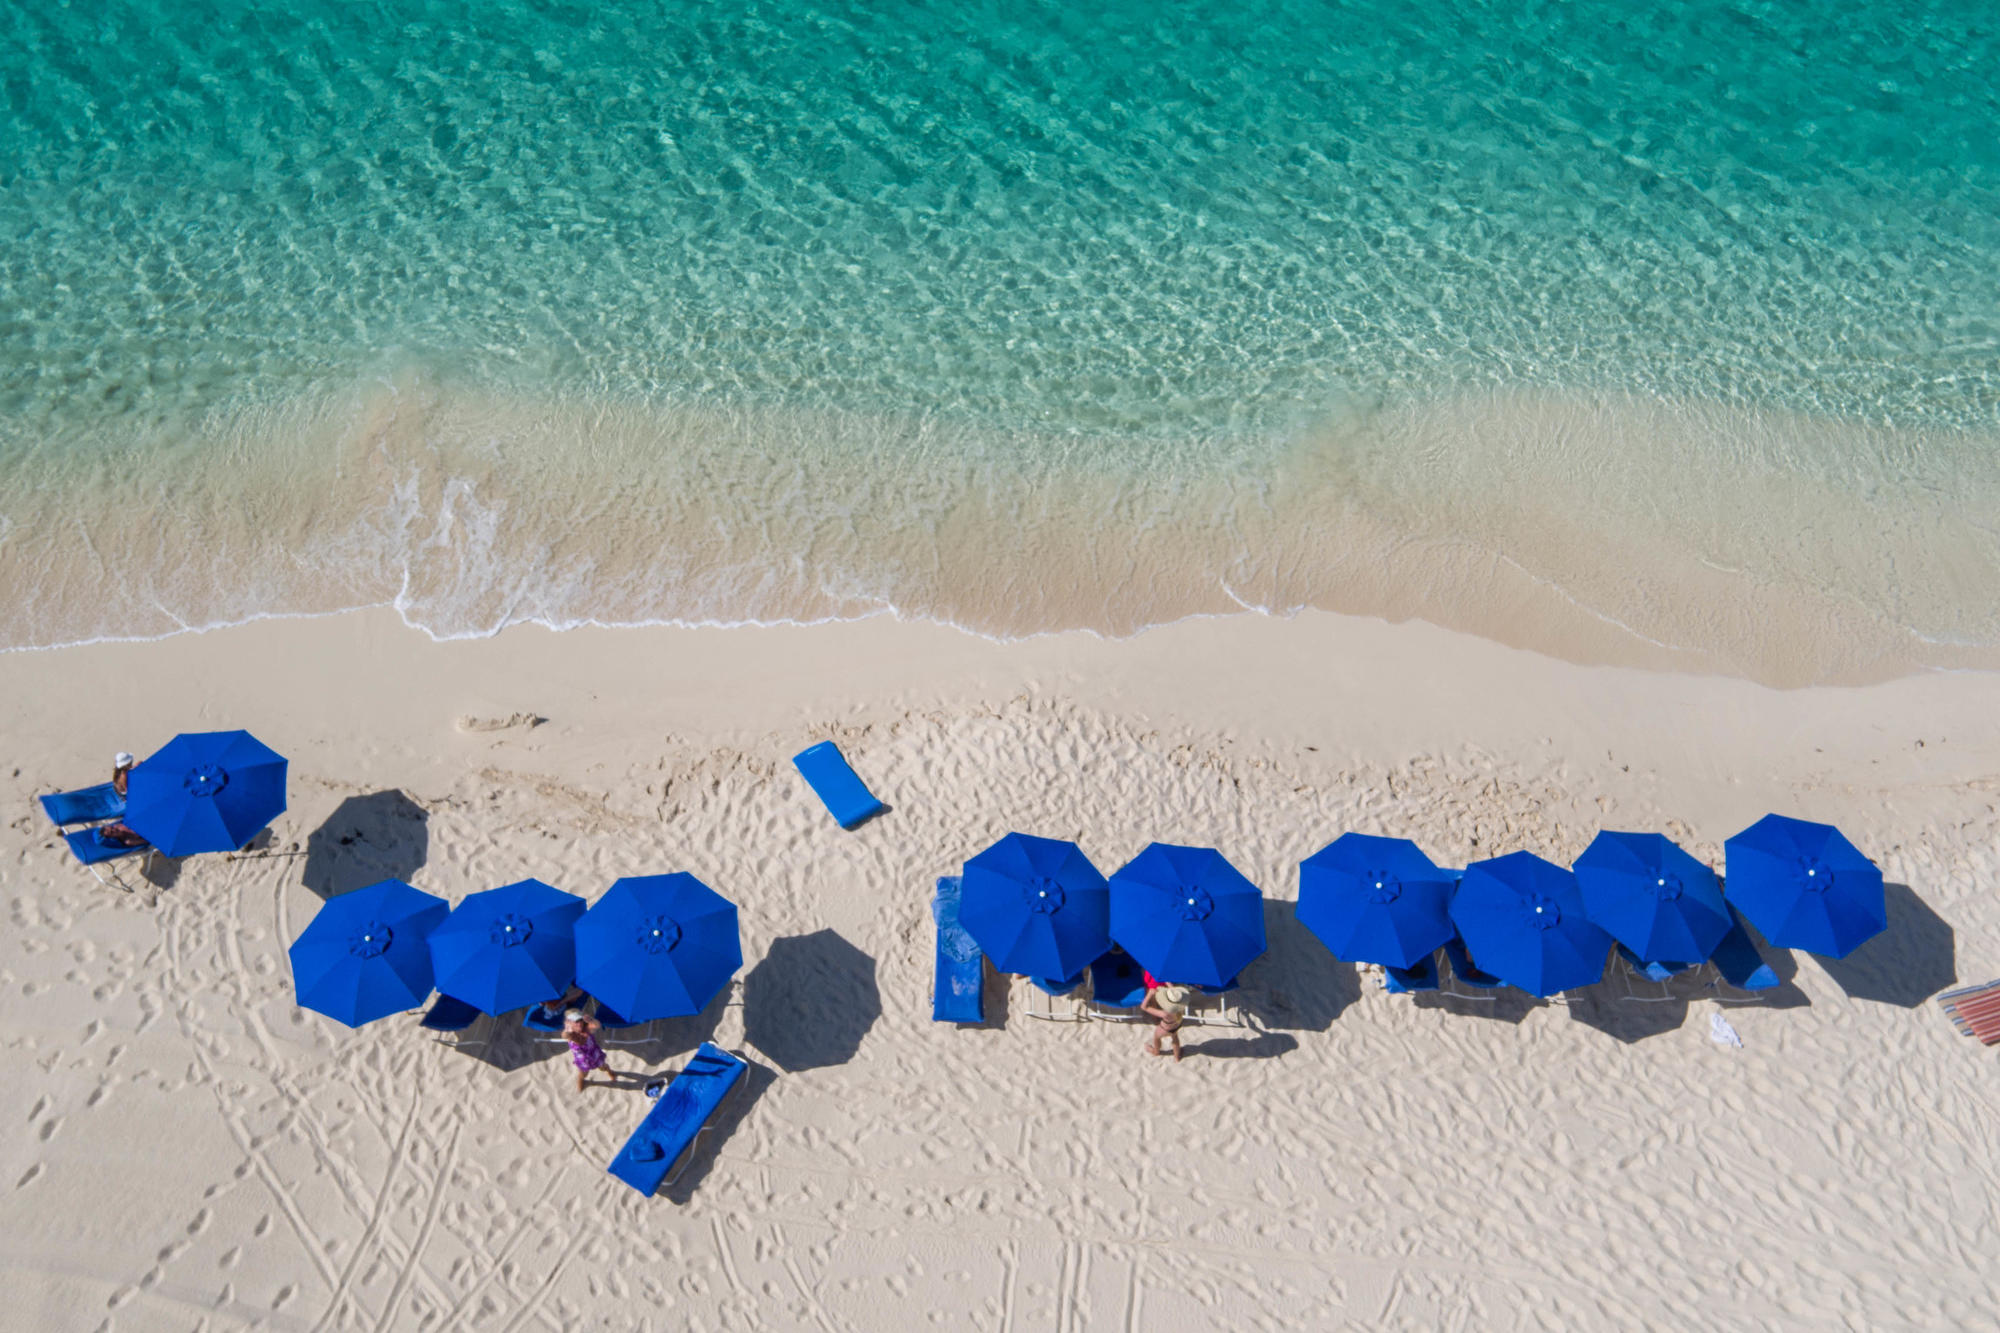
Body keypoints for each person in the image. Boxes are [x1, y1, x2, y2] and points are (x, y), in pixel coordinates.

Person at [562, 1008, 616, 1092]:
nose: (579, 1023)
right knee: (583, 1074)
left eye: (580, 1020)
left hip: (594, 1054)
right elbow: (565, 1036)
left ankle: (610, 1072)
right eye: (576, 1021)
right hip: (582, 1059)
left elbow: (597, 1025)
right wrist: (567, 1029)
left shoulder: (586, 1028)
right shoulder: (571, 1034)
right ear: (570, 1023)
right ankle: (580, 1080)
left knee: (603, 1067)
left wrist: (591, 1020)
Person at [1140, 982, 1191, 1061]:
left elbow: (1144, 1007)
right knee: (1175, 1037)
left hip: (1165, 1028)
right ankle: (1177, 1057)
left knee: (1156, 1037)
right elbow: (1174, 993)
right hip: (1177, 1024)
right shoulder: (1181, 1004)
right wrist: (1168, 983)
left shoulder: (1164, 1013)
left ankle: (1155, 1051)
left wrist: (1149, 994)